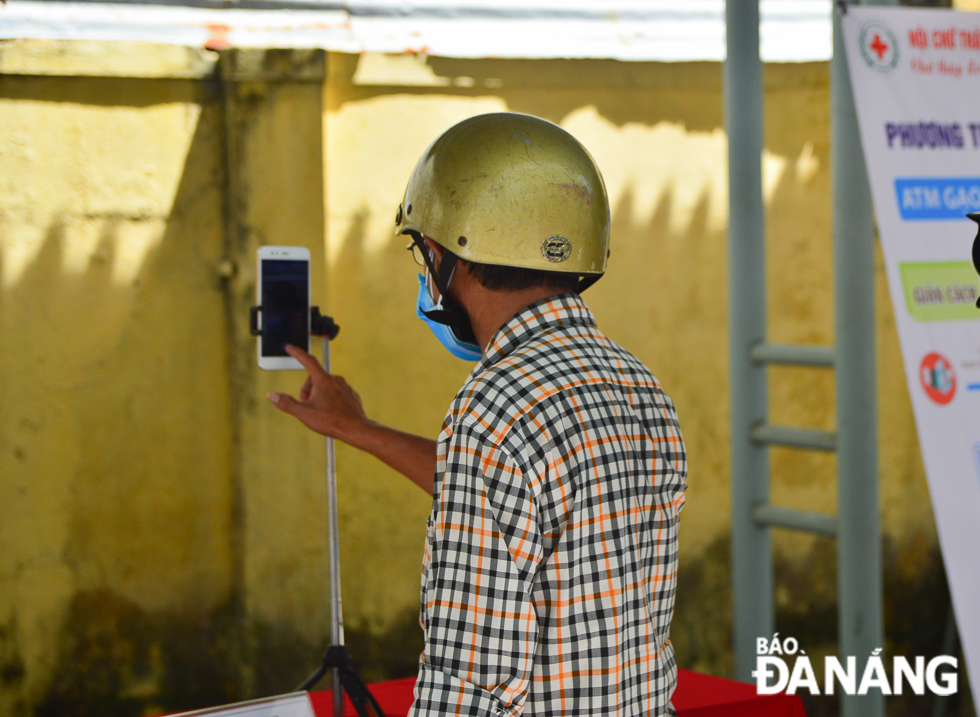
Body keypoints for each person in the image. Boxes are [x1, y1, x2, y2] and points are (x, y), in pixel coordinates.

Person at [268, 112, 687, 717]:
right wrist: (358, 430)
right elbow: (529, 514)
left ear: (444, 255)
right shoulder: (637, 386)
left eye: (421, 253)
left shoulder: (492, 406)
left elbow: (471, 677)